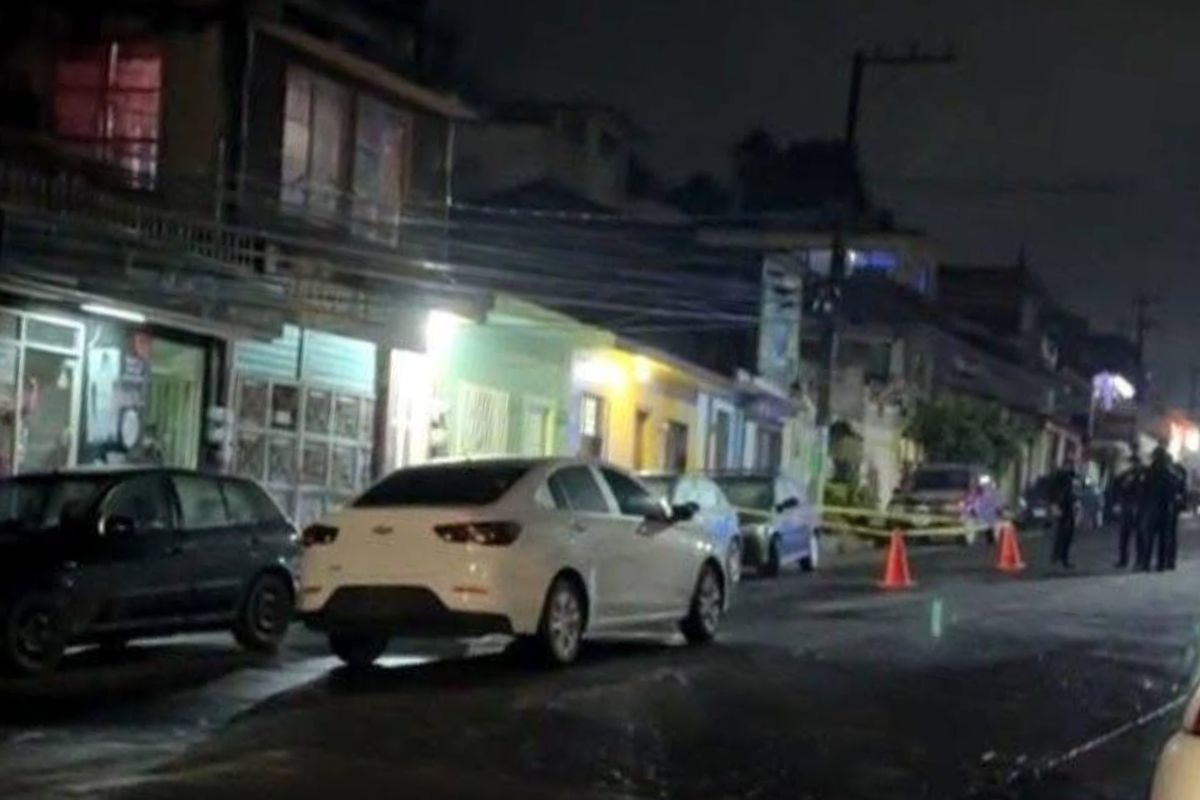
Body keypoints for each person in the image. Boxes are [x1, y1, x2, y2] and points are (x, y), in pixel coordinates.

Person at [1138, 447, 1175, 571]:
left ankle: (1146, 563)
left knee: (1149, 537)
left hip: (1151, 508)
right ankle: (1160, 564)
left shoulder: (1148, 471)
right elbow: (1172, 491)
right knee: (1163, 538)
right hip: (1164, 508)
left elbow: (1143, 490)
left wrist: (1142, 506)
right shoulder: (1168, 472)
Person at [1113, 455, 1144, 568]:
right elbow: (1118, 486)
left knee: (1136, 536)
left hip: (1135, 507)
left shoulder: (1141, 474)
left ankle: (1135, 560)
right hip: (1129, 507)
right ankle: (1125, 560)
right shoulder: (1127, 474)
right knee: (1126, 536)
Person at [1051, 458, 1079, 568]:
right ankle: (1060, 557)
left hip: (1068, 508)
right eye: (1069, 465)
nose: (1070, 467)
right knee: (1063, 534)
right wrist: (1055, 505)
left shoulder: (1070, 477)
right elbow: (1054, 491)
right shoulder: (1061, 477)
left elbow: (1072, 492)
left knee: (1066, 535)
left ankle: (1059, 556)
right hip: (1063, 507)